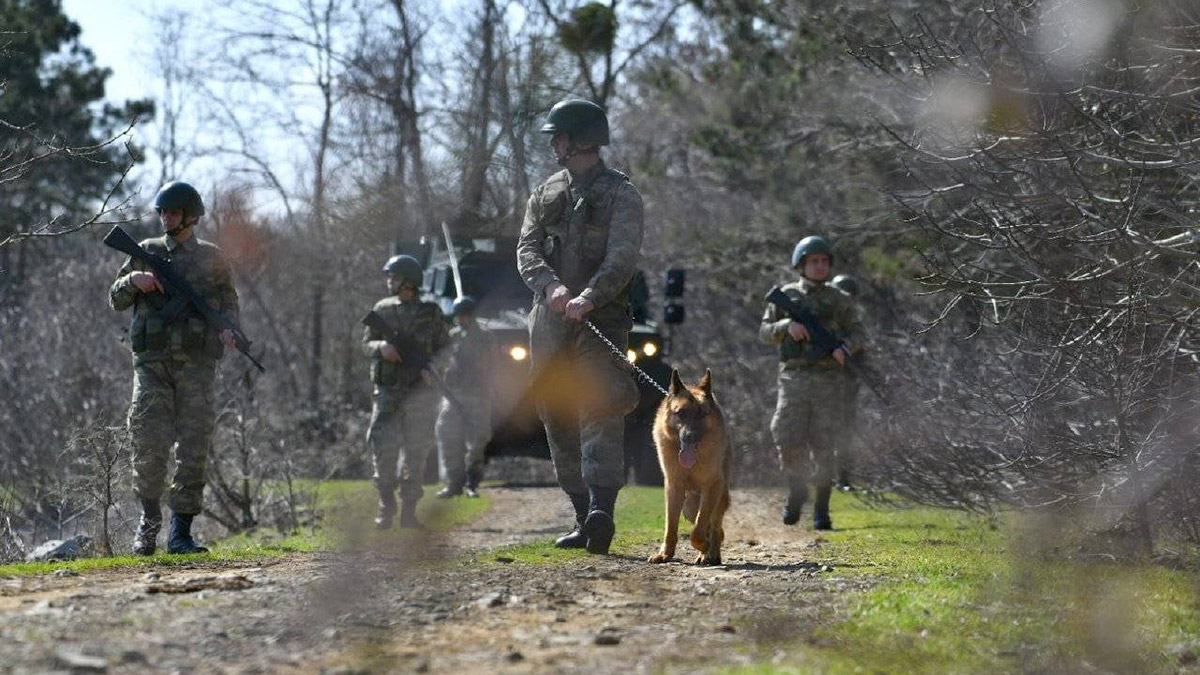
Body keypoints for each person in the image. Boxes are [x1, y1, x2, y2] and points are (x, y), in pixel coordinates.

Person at [517, 98, 644, 555]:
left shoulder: (621, 194)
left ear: (576, 140)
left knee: (599, 407)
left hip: (601, 320)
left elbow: (622, 258)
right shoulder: (545, 192)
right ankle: (580, 516)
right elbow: (526, 250)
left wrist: (590, 296)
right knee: (556, 413)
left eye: (558, 136)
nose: (553, 144)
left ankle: (601, 511)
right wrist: (551, 288)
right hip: (549, 322)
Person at [110, 181, 239, 555]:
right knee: (148, 444)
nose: (166, 218)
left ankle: (180, 533)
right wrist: (133, 280)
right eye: (162, 212)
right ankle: (148, 525)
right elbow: (115, 299)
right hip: (151, 366)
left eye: (173, 212)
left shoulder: (213, 258)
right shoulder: (145, 252)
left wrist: (230, 330)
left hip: (197, 366)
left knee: (194, 447)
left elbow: (228, 303)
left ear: (191, 216)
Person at [759, 235, 865, 530]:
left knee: (824, 444)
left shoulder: (839, 299)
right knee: (786, 436)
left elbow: (859, 332)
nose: (819, 267)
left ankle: (821, 508)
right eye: (813, 261)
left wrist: (846, 348)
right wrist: (786, 327)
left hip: (829, 379)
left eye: (823, 261)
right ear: (801, 265)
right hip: (794, 377)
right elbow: (764, 332)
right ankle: (796, 489)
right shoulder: (787, 295)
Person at [362, 254, 450, 529]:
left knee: (417, 451)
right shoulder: (382, 309)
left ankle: (409, 510)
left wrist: (432, 368)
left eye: (395, 277)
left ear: (409, 283)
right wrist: (381, 348)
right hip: (387, 391)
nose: (389, 281)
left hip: (420, 393)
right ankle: (386, 504)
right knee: (382, 449)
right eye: (389, 277)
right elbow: (366, 344)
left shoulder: (431, 313)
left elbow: (445, 349)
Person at [434, 296, 498, 499]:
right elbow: (441, 360)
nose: (460, 319)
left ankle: (472, 482)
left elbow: (493, 365)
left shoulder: (485, 337)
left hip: (478, 395)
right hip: (453, 394)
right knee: (446, 434)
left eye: (463, 315)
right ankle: (454, 483)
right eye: (458, 316)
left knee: (477, 441)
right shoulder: (452, 336)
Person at [829, 273, 864, 492]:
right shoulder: (826, 322)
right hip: (823, 385)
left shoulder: (854, 324)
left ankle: (843, 478)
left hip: (847, 386)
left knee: (845, 433)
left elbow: (861, 349)